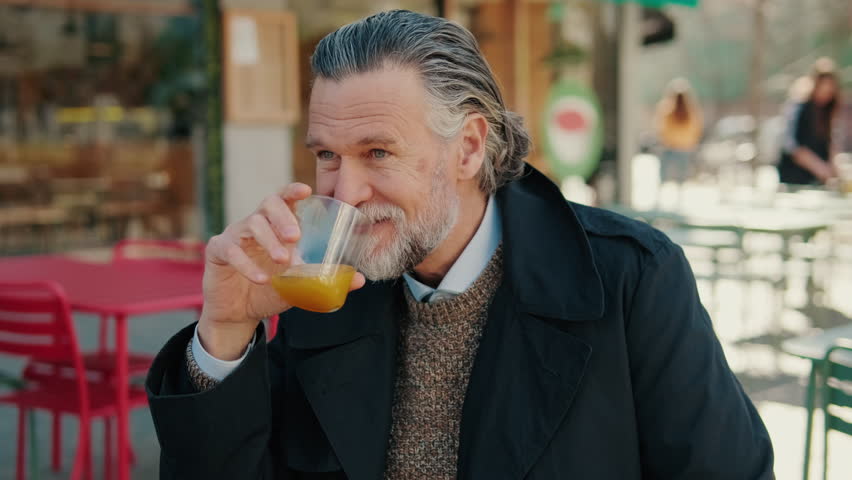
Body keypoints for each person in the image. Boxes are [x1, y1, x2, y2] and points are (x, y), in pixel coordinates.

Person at [146, 10, 774, 479]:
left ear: (469, 147)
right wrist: (223, 335)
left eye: (378, 152)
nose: (345, 190)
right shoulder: (327, 290)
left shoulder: (631, 279)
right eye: (327, 155)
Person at [777, 58, 842, 186]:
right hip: (794, 177)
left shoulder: (827, 110)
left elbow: (829, 143)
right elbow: (792, 146)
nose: (826, 93)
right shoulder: (799, 107)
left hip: (816, 180)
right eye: (823, 87)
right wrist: (820, 168)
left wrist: (834, 168)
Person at [654, 78, 704, 187]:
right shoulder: (688, 111)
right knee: (681, 172)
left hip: (673, 146)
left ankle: (663, 190)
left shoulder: (668, 109)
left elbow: (661, 128)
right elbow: (696, 128)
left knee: (665, 171)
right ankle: (676, 191)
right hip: (683, 147)